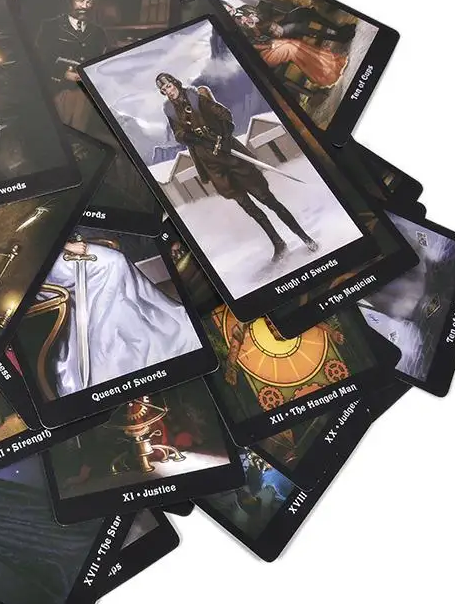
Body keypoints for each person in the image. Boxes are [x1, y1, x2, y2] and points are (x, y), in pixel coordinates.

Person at [156, 72, 317, 261]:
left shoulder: (196, 98)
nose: (168, 91)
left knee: (267, 199)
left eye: (169, 86)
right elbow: (179, 134)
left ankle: (304, 237)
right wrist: (198, 140)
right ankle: (278, 243)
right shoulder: (171, 111)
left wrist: (225, 138)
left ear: (175, 83)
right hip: (213, 166)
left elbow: (224, 115)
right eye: (164, 90)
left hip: (232, 157)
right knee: (250, 208)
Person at [43, 237, 201, 397]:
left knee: (117, 261)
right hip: (43, 264)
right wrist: (67, 245)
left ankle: (133, 334)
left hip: (55, 249)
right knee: (111, 265)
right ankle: (107, 353)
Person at [34, 0, 109, 131]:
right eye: (80, 0)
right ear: (69, 1)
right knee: (56, 128)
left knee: (80, 130)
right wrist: (63, 73)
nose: (85, 6)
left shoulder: (98, 32)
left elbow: (102, 61)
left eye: (89, 2)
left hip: (86, 92)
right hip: (58, 89)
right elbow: (39, 59)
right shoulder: (50, 26)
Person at [232, 2, 354, 89]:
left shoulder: (245, 9)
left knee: (303, 12)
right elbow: (255, 43)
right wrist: (256, 27)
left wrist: (272, 22)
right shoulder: (236, 28)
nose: (230, 10)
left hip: (275, 27)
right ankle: (326, 65)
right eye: (227, 11)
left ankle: (339, 31)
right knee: (297, 28)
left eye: (228, 7)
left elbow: (268, 16)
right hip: (270, 41)